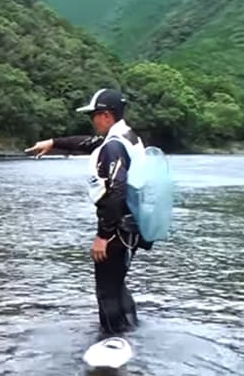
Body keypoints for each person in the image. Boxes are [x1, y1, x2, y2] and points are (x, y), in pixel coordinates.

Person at [25, 88, 151, 335]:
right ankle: (131, 330)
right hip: (133, 225)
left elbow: (116, 191)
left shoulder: (113, 146)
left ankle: (111, 338)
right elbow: (87, 143)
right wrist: (54, 143)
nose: (92, 120)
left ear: (106, 115)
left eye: (94, 114)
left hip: (117, 229)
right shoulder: (128, 136)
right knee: (117, 283)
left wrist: (103, 236)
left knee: (105, 290)